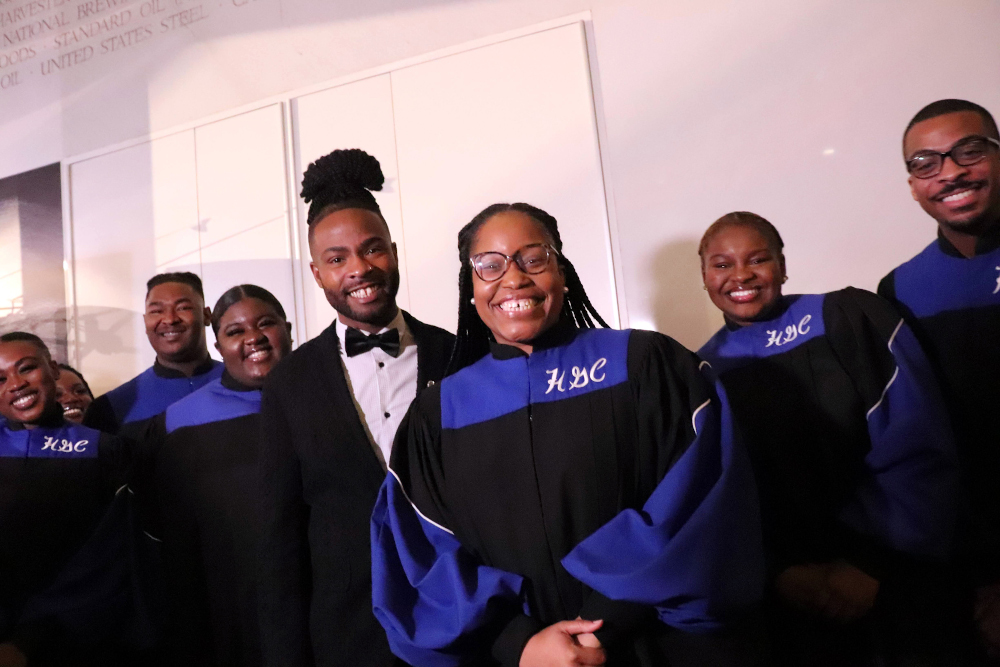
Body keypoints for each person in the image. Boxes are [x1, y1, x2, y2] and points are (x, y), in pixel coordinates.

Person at [371, 203, 765, 667]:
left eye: (533, 258)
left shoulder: (641, 364)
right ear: (470, 287)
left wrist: (601, 629)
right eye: (490, 265)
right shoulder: (437, 416)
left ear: (561, 270)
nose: (514, 278)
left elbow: (698, 500)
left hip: (650, 646)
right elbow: (423, 554)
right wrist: (518, 643)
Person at [697, 212, 960, 666]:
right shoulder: (703, 372)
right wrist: (779, 573)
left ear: (782, 265)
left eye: (757, 259)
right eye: (721, 265)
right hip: (793, 600)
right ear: (704, 277)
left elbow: (915, 437)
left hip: (895, 579)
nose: (740, 275)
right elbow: (721, 495)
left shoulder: (848, 317)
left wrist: (871, 565)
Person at [257, 149, 455, 667]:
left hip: (460, 620)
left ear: (393, 250)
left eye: (372, 250)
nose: (359, 269)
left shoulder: (460, 354)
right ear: (318, 272)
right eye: (337, 258)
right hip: (348, 636)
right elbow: (280, 541)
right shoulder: (288, 384)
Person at [877, 99, 1000, 661]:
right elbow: (930, 446)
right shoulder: (899, 292)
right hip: (971, 563)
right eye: (926, 162)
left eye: (968, 151)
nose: (949, 172)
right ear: (911, 184)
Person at [139, 285, 292, 667]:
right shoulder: (178, 425)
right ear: (218, 345)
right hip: (228, 617)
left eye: (265, 324)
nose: (253, 338)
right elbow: (168, 544)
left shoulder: (329, 398)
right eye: (234, 331)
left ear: (289, 329)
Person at [0, 332, 130, 667]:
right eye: (0, 379)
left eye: (26, 368)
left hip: (79, 636)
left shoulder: (102, 450)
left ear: (53, 369)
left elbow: (107, 554)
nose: (15, 384)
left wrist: (27, 641)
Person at [85, 272, 223, 441]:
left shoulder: (250, 385)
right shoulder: (110, 408)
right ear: (145, 321)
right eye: (157, 311)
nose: (170, 319)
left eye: (182, 308)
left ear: (207, 315)